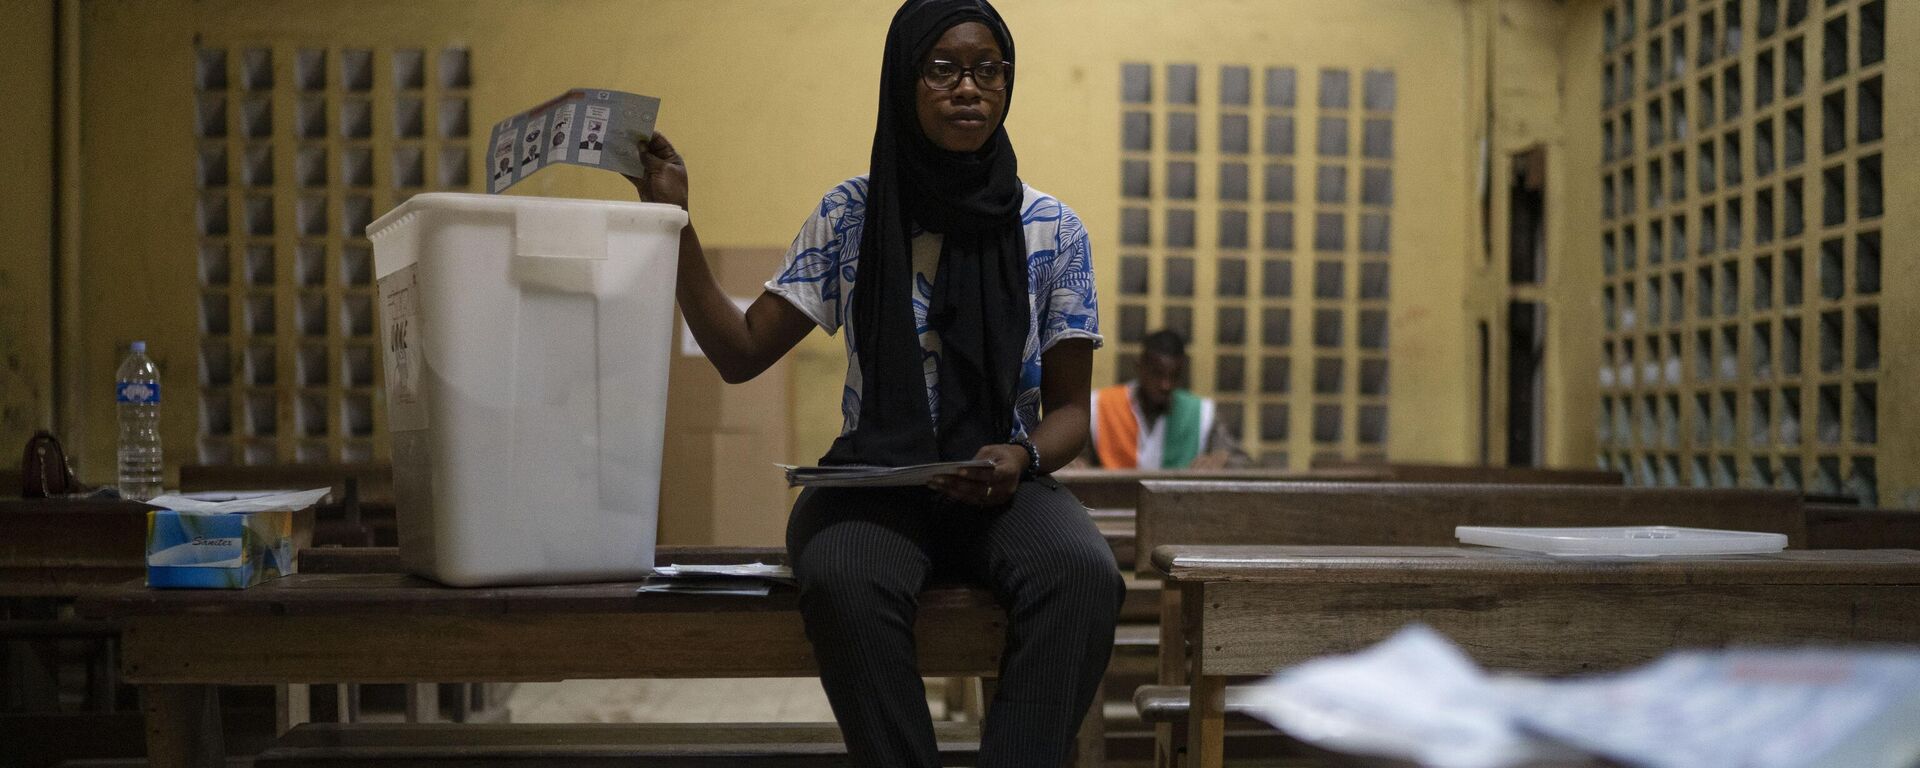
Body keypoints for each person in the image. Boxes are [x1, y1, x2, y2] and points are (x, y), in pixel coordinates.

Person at [629, 2, 1120, 766]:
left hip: (1003, 484)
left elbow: (1069, 414)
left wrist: (1020, 458)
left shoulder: (1052, 229)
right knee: (843, 577)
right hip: (876, 480)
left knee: (1083, 574)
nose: (969, 89)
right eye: (944, 69)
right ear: (903, 80)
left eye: (990, 70)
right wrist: (675, 223)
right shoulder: (853, 215)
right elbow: (740, 351)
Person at [1086, 329, 1246, 470]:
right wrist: (1075, 463)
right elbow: (1075, 458)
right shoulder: (1100, 405)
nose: (1166, 385)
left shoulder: (1201, 413)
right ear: (1139, 367)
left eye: (1174, 376)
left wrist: (1225, 460)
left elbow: (1246, 464)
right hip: (1112, 502)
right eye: (1157, 373)